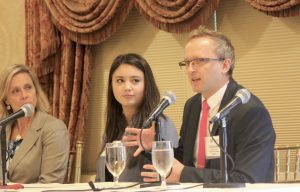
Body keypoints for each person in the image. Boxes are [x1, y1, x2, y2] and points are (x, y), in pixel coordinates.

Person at [123, 27, 276, 183]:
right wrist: (156, 147)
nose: (190, 70)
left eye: (200, 61)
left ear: (225, 65)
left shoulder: (250, 111)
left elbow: (247, 179)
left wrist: (183, 175)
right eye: (187, 63)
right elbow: (186, 158)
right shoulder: (193, 105)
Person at [95, 53, 178, 182]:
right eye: (120, 81)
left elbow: (170, 175)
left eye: (135, 80)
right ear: (111, 86)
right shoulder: (112, 126)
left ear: (147, 85)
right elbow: (101, 178)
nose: (127, 87)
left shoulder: (160, 124)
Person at [0, 64, 70, 183]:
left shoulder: (54, 129)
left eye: (28, 88)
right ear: (6, 100)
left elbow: (49, 184)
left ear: (36, 92)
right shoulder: (3, 128)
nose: (24, 95)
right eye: (16, 91)